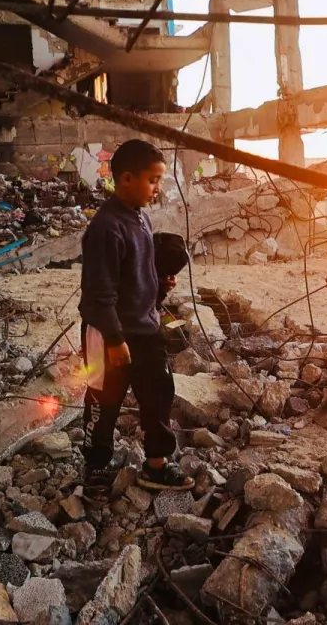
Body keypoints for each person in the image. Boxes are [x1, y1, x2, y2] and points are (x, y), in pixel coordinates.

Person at [79, 139, 194, 495]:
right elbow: (99, 295)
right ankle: (96, 468)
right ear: (126, 178)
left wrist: (159, 286)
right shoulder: (105, 227)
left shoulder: (140, 219)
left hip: (144, 330)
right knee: (103, 401)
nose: (157, 188)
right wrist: (115, 340)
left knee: (158, 393)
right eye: (153, 180)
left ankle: (156, 465)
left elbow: (137, 275)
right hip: (107, 334)